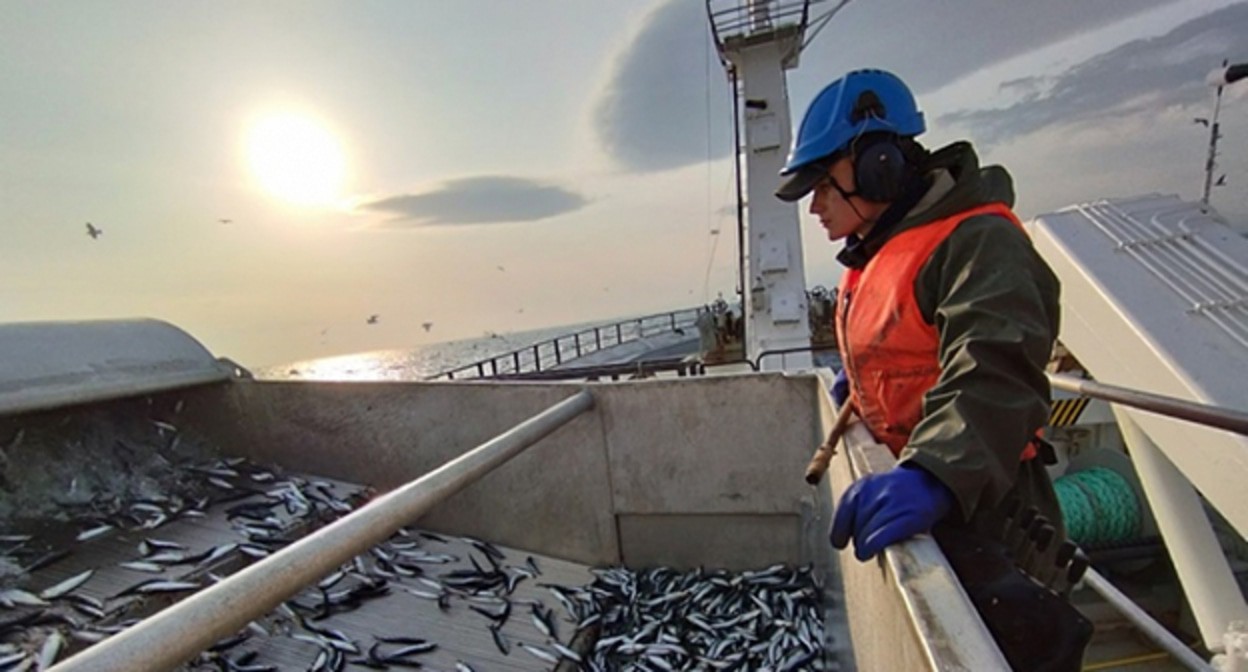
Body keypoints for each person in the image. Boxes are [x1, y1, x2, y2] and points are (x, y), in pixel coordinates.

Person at [776, 69, 1089, 670]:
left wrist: (935, 473)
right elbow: (909, 350)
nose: (814, 206)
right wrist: (864, 386)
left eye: (821, 185)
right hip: (929, 486)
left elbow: (997, 369)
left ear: (880, 164)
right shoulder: (881, 248)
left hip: (990, 505)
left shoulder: (977, 241)